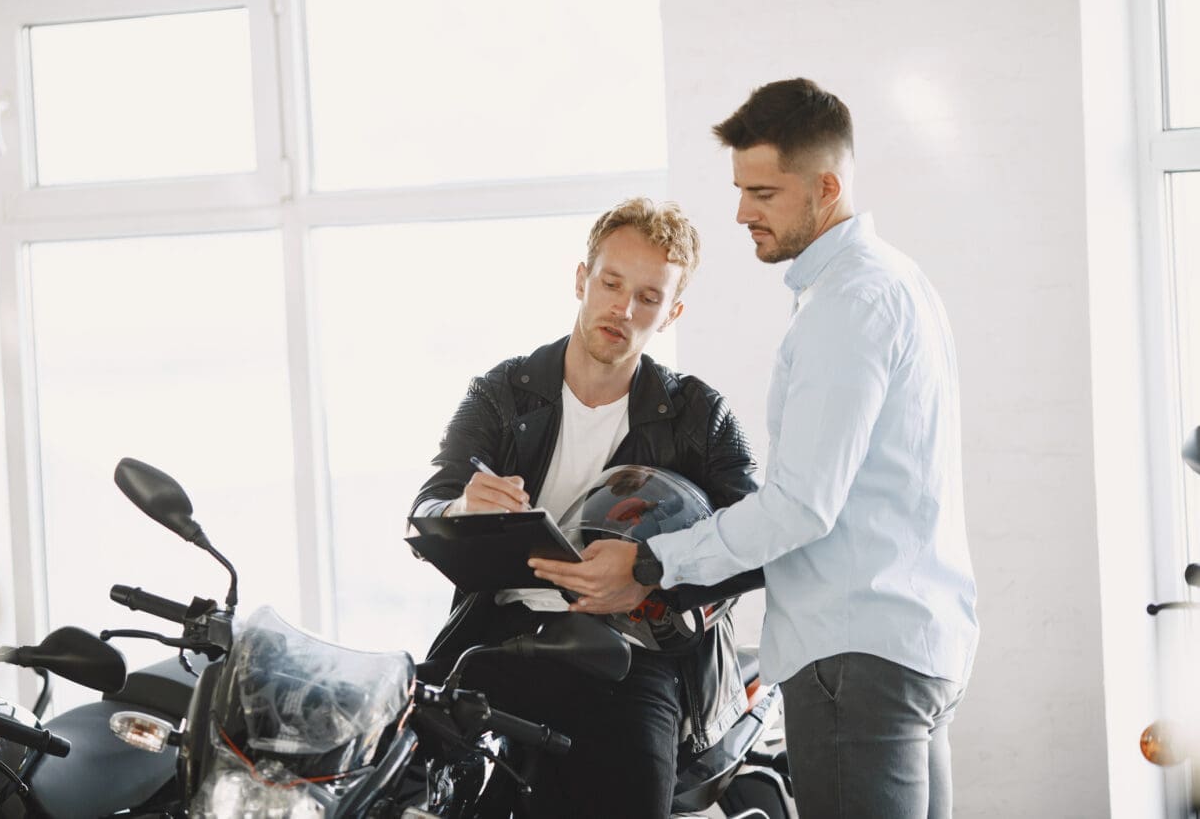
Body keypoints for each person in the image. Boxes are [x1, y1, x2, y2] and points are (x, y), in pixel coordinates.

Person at [531, 79, 980, 818]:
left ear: (826, 187)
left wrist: (648, 562)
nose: (742, 213)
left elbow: (800, 506)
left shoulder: (847, 305)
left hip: (852, 653)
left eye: (764, 193)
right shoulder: (899, 283)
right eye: (741, 190)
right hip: (915, 644)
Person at [410, 197, 760, 818]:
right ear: (582, 279)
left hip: (632, 655)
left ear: (672, 312)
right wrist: (463, 506)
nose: (623, 309)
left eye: (649, 298)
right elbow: (427, 506)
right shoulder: (499, 393)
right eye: (611, 283)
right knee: (405, 781)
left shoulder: (701, 416)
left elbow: (758, 539)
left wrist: (652, 573)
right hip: (500, 638)